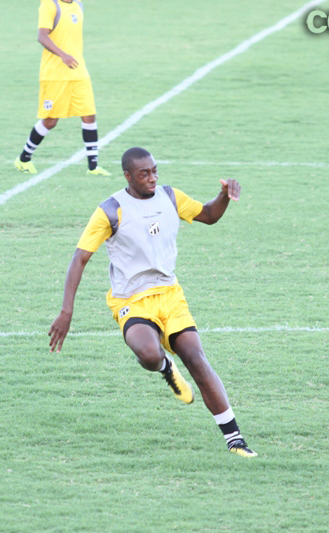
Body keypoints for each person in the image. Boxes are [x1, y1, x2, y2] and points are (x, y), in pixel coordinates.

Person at [48, 147, 257, 458]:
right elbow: (79, 259)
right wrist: (67, 311)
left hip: (170, 295)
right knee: (148, 354)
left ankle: (235, 439)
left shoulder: (171, 197)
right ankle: (164, 367)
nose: (152, 178)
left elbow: (209, 215)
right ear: (128, 176)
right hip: (131, 299)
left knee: (197, 358)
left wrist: (224, 194)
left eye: (154, 171)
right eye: (144, 173)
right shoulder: (110, 210)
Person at [14, 0, 111, 176]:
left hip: (78, 71)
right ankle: (23, 159)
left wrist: (70, 57)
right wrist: (63, 55)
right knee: (50, 120)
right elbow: (42, 36)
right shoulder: (50, 5)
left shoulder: (78, 5)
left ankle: (93, 167)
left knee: (89, 115)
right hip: (55, 75)